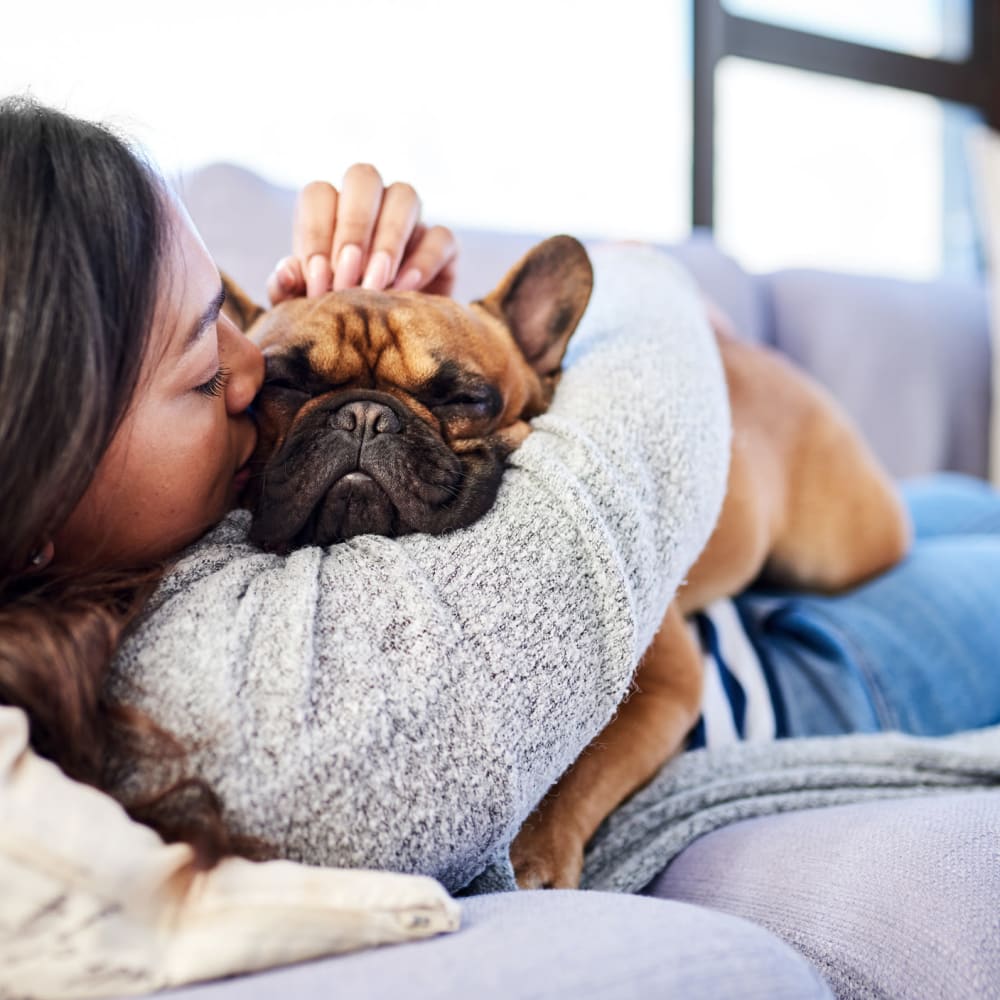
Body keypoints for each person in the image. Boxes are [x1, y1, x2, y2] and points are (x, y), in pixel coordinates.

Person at [1, 97, 998, 997]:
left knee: (958, 504)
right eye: (195, 361)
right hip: (788, 655)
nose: (242, 377)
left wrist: (344, 337)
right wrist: (633, 300)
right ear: (48, 475)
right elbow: (643, 352)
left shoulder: (159, 538)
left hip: (737, 543)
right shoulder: (277, 696)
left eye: (240, 340)